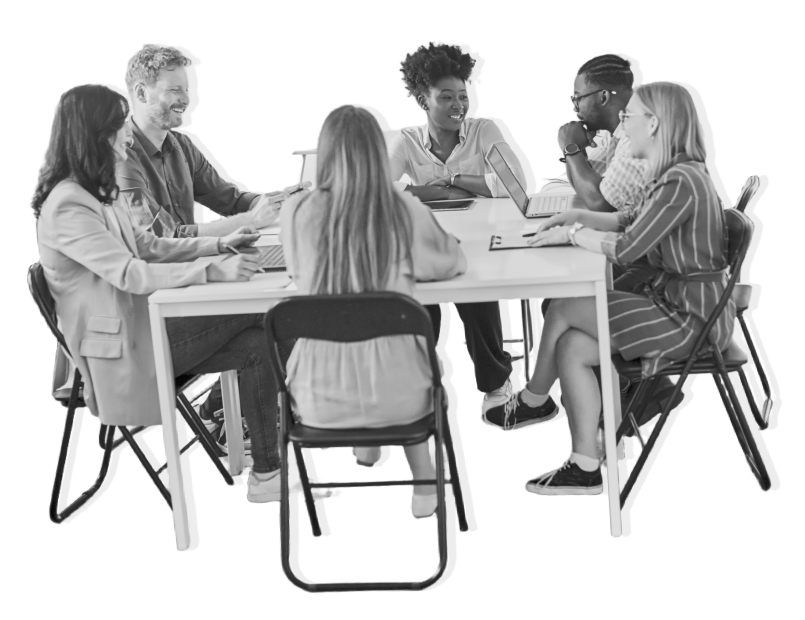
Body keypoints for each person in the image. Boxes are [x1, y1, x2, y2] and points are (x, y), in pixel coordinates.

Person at [33, 83, 330, 505]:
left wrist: (219, 244)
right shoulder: (69, 204)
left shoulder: (96, 190)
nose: (128, 134)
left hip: (145, 327)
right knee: (271, 317)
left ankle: (268, 471)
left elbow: (150, 245)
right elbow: (130, 273)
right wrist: (214, 269)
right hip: (123, 348)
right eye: (121, 125)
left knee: (259, 343)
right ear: (96, 133)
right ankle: (299, 423)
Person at [487, 80, 734, 495]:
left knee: (564, 307)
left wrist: (573, 235)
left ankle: (535, 398)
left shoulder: (681, 181)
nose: (622, 124)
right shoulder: (672, 174)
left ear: (653, 124)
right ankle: (584, 465)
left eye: (628, 116)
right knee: (572, 346)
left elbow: (629, 246)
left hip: (691, 318)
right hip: (676, 303)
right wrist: (574, 219)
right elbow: (628, 221)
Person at [280, 104, 467, 519]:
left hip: (317, 400)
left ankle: (366, 440)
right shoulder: (402, 208)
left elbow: (296, 271)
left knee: (356, 332)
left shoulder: (296, 211)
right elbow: (448, 263)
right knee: (414, 351)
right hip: (402, 398)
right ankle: (424, 481)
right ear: (379, 151)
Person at [116, 43, 305, 451]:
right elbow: (162, 239)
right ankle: (253, 416)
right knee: (277, 309)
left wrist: (276, 201)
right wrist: (247, 223)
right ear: (141, 92)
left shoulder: (181, 145)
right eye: (174, 89)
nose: (186, 99)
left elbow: (231, 199)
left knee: (274, 318)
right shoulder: (121, 157)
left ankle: (230, 420)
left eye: (189, 88)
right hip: (147, 319)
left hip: (187, 293)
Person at [390, 39, 525, 427]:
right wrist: (436, 193)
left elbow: (517, 184)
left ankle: (496, 385)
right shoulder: (407, 140)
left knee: (475, 289)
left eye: (463, 96)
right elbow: (380, 189)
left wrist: (452, 179)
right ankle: (420, 385)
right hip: (429, 244)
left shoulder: (485, 131)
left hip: (479, 243)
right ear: (422, 100)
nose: (458, 105)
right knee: (417, 297)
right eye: (446, 97)